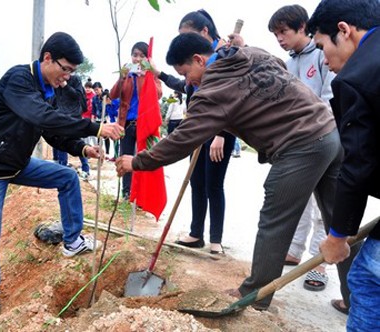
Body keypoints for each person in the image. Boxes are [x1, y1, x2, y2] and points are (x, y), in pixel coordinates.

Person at [116, 32, 343, 311]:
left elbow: (180, 141)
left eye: (187, 73)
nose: (188, 82)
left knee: (275, 223)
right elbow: (280, 68)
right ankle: (356, 297)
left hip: (300, 146)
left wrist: (137, 163)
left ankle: (254, 296)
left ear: (200, 59)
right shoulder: (251, 53)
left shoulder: (213, 92)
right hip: (330, 134)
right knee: (341, 225)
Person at [0, 32, 123, 323]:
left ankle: (72, 241)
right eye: (65, 70)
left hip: (16, 164)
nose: (66, 78)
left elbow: (52, 132)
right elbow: (42, 118)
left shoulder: (47, 91)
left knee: (67, 177)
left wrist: (83, 147)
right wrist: (95, 128)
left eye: (72, 73)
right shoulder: (19, 80)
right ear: (47, 58)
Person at [308, 1, 380, 330]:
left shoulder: (357, 76)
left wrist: (338, 236)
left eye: (322, 46)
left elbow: (357, 165)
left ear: (344, 30)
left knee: (367, 277)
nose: (324, 60)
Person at [150, 10, 235, 254]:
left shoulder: (224, 57)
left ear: (204, 32)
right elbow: (185, 85)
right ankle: (196, 233)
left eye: (187, 37)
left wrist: (221, 134)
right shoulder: (196, 67)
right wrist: (160, 74)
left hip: (220, 132)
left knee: (214, 184)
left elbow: (228, 101)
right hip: (199, 129)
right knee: (195, 181)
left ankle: (215, 239)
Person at [268, 4, 336, 294]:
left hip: (324, 135)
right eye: (275, 34)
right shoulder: (288, 61)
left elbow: (331, 97)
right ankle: (294, 249)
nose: (280, 39)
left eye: (283, 32)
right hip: (296, 138)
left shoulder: (322, 55)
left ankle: (319, 264)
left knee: (324, 202)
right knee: (301, 197)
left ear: (302, 28)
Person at [109, 41, 162, 200]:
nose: (137, 59)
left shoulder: (151, 75)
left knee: (142, 159)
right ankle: (126, 193)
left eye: (141, 55)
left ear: (147, 58)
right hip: (126, 124)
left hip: (144, 125)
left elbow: (158, 94)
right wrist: (122, 77)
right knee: (125, 158)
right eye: (135, 55)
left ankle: (141, 195)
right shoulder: (127, 75)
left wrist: (146, 77)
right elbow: (113, 95)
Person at [92, 82, 111, 156]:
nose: (96, 91)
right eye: (95, 90)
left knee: (106, 136)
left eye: (97, 89)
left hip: (106, 118)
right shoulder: (94, 98)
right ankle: (99, 151)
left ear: (101, 88)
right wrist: (93, 117)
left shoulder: (106, 96)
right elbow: (93, 109)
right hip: (98, 118)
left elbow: (110, 106)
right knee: (98, 134)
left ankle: (107, 152)